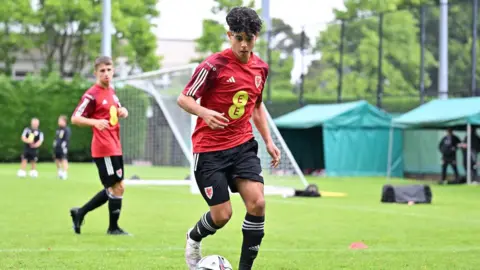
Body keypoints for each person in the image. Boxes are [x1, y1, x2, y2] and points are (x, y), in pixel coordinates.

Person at [177, 7, 281, 270]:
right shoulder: (213, 66)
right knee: (222, 216)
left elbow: (256, 106)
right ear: (229, 35)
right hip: (210, 150)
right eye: (238, 38)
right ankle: (194, 236)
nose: (244, 45)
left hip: (243, 145)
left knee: (257, 203)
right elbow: (184, 98)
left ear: (257, 37)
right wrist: (204, 112)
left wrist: (268, 141)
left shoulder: (261, 68)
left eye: (250, 38)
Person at [69, 56, 130, 235]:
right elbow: (75, 118)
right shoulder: (91, 94)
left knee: (117, 187)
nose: (106, 74)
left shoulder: (112, 92)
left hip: (115, 145)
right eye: (102, 71)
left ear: (113, 71)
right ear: (95, 73)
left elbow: (117, 110)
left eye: (109, 70)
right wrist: (94, 123)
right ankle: (112, 228)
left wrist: (123, 111)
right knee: (116, 187)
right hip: (104, 148)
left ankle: (80, 213)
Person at [53, 115, 71, 180]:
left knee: (64, 159)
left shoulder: (67, 129)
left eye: (60, 120)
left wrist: (64, 145)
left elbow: (67, 138)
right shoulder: (58, 129)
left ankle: (65, 173)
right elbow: (57, 137)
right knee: (57, 159)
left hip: (63, 147)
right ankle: (60, 172)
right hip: (57, 147)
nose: (59, 122)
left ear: (64, 121)